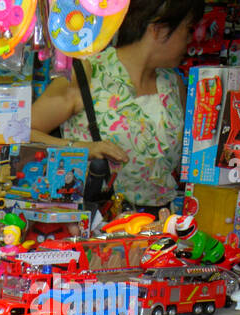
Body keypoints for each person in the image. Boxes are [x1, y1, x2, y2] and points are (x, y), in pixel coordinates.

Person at [30, 0, 203, 216]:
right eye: (188, 29)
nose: (191, 39)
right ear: (158, 30)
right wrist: (82, 148)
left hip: (162, 225)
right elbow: (21, 133)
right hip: (99, 227)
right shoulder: (87, 74)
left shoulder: (173, 84)